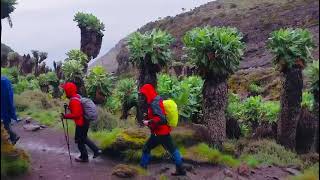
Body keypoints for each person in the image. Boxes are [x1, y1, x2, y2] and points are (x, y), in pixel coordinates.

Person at [139, 84, 186, 176]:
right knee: (172, 149)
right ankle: (181, 169)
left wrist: (148, 122)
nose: (142, 96)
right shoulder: (155, 100)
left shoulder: (154, 102)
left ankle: (142, 168)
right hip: (161, 132)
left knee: (147, 148)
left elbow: (161, 118)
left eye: (143, 94)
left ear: (148, 92)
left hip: (160, 133)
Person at [60, 82, 102, 163]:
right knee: (83, 138)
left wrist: (65, 116)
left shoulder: (73, 101)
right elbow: (79, 109)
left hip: (81, 123)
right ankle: (94, 151)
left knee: (80, 140)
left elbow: (77, 114)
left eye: (65, 90)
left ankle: (85, 157)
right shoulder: (77, 96)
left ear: (69, 91)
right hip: (85, 121)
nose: (65, 92)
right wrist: (69, 108)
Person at [1, 76, 20, 145]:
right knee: (5, 122)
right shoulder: (5, 80)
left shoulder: (3, 81)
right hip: (6, 105)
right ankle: (13, 137)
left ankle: (13, 137)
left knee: (4, 123)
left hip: (3, 105)